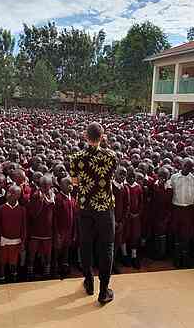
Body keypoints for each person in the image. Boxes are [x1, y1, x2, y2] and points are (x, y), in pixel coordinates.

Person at [70, 121, 118, 305]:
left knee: (86, 245)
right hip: (105, 207)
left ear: (85, 136)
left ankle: (88, 282)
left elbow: (74, 183)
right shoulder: (111, 156)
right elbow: (110, 176)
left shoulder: (76, 158)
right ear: (102, 136)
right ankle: (104, 291)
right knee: (106, 247)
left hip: (85, 207)